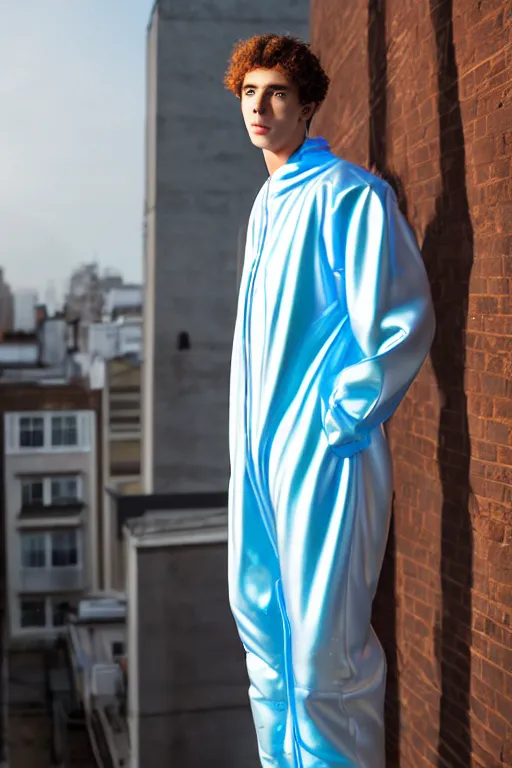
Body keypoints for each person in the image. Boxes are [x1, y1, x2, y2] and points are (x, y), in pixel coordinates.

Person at [224, 34, 435, 768]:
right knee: (266, 649)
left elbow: (402, 321)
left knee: (324, 668)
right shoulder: (266, 204)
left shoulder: (348, 193)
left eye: (277, 92)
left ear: (308, 105)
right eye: (250, 93)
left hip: (322, 459)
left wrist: (336, 420)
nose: (260, 106)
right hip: (255, 464)